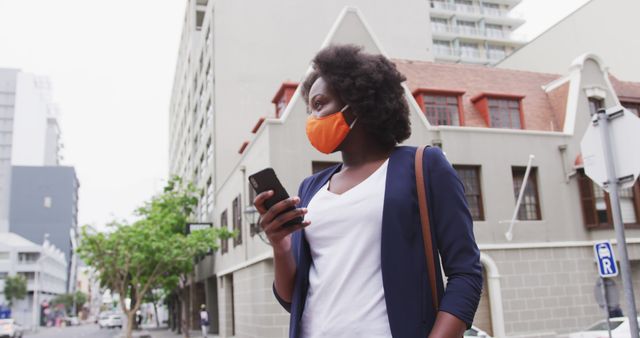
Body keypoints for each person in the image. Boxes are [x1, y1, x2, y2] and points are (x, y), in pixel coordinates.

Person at [254, 44, 483, 338]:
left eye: (320, 104)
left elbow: (466, 273)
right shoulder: (310, 188)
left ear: (359, 103)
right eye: (310, 109)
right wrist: (281, 246)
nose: (312, 119)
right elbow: (291, 298)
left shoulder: (423, 166)